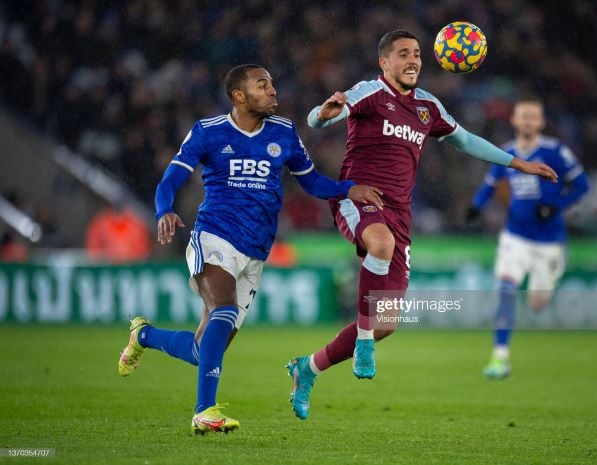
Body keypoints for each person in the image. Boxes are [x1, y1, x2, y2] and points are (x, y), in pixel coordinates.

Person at [286, 29, 558, 420]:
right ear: (385, 62)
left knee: (387, 323)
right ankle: (363, 343)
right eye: (402, 54)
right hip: (358, 198)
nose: (413, 60)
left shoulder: (428, 107)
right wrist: (323, 112)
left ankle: (307, 368)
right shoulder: (369, 92)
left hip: (398, 214)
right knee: (380, 246)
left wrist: (519, 163)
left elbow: (466, 141)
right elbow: (320, 117)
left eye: (416, 54)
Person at [117, 64, 383, 434]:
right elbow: (171, 178)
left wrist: (347, 188)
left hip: (256, 250)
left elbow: (314, 183)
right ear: (239, 96)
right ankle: (203, 411)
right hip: (214, 236)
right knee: (223, 309)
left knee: (203, 351)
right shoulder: (208, 132)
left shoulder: (284, 132)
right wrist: (165, 210)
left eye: (272, 83)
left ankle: (143, 335)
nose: (273, 91)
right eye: (263, 85)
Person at [466, 97, 589, 379]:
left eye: (534, 117)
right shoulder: (508, 153)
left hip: (549, 242)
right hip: (515, 237)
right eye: (524, 116)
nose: (528, 122)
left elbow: (582, 185)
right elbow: (489, 184)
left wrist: (556, 206)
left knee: (537, 303)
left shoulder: (555, 151)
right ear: (514, 120)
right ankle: (500, 358)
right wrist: (476, 206)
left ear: (541, 122)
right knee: (506, 290)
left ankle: (549, 281)